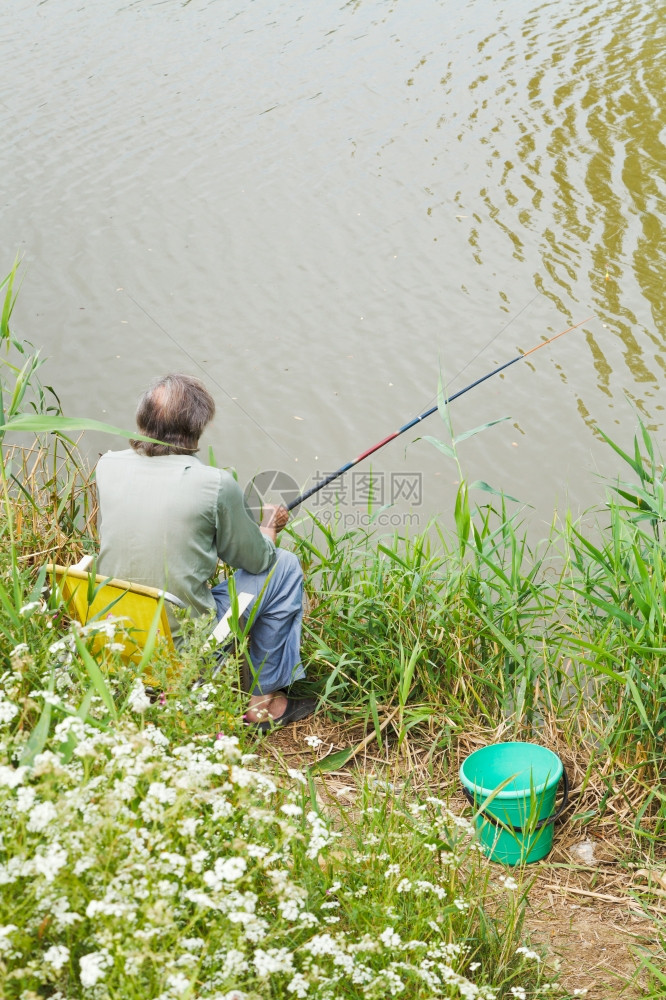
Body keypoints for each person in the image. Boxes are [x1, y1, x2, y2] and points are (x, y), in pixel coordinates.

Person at [95, 373, 315, 730]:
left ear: (141, 419)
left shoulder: (108, 466)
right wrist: (268, 528)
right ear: (196, 430)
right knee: (285, 565)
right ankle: (264, 707)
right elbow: (258, 560)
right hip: (183, 646)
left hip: (118, 634)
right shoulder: (215, 484)